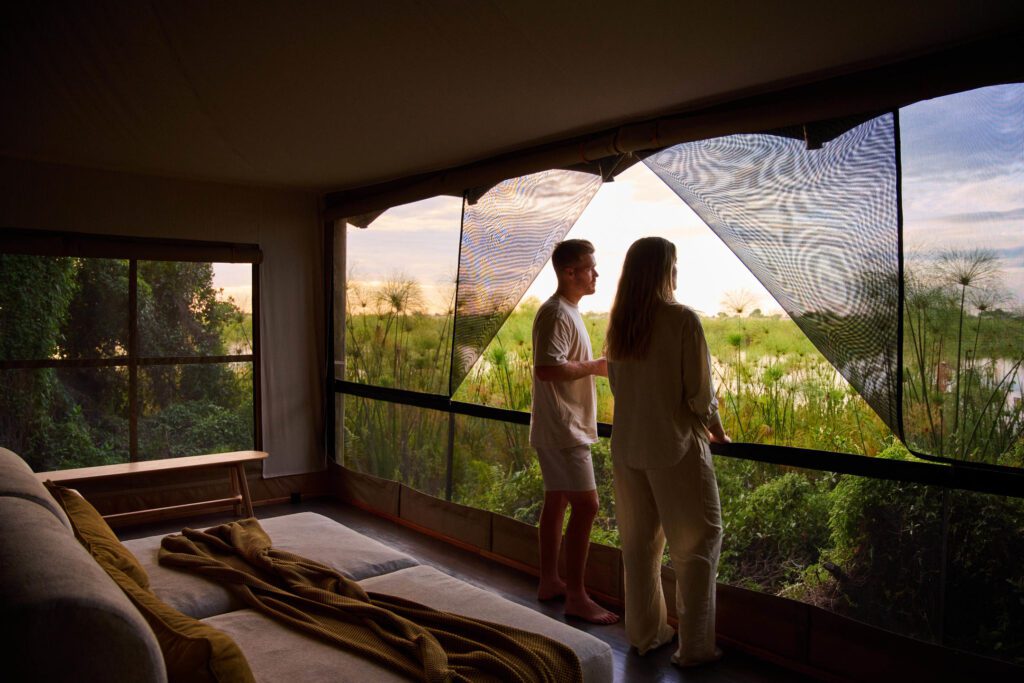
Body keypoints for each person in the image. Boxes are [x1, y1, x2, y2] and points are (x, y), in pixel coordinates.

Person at [605, 236, 729, 667]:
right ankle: (695, 648)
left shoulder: (620, 326)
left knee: (639, 549)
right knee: (698, 545)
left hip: (628, 448)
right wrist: (718, 432)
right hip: (675, 448)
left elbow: (619, 389)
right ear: (666, 270)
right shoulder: (682, 320)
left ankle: (645, 635)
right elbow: (699, 395)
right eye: (674, 265)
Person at [529, 238, 619, 625]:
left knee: (558, 501)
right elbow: (547, 369)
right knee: (587, 505)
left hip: (558, 425)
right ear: (570, 272)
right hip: (565, 428)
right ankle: (577, 597)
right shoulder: (556, 314)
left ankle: (550, 580)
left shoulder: (566, 311)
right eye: (589, 267)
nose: (596, 273)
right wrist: (596, 366)